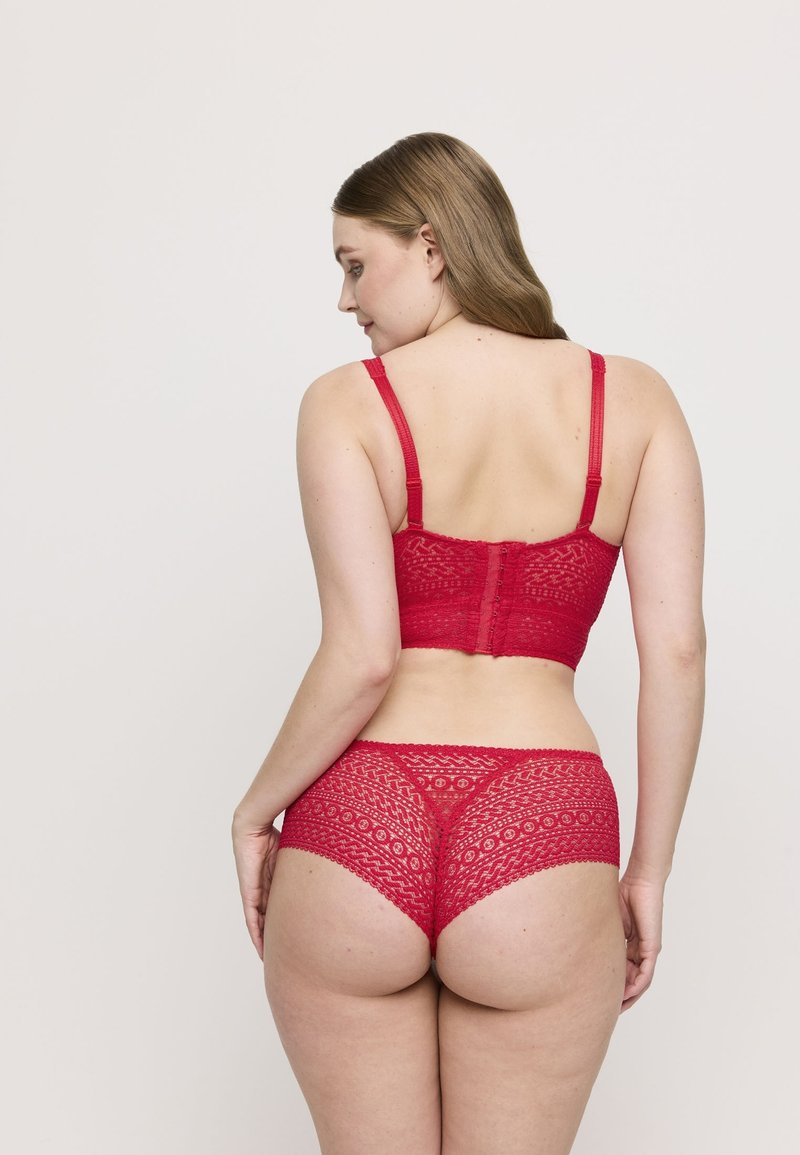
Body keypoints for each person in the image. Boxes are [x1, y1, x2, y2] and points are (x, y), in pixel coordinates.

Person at [231, 132, 706, 1155]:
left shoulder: (346, 403)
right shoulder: (633, 399)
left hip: (361, 818)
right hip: (543, 820)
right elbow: (675, 651)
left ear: (432, 246)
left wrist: (253, 809)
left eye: (355, 264)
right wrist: (649, 869)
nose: (345, 300)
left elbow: (363, 655)